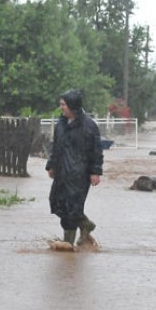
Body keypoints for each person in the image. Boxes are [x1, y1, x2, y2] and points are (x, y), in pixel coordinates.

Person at [46, 90, 103, 249]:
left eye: (63, 104)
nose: (61, 107)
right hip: (62, 173)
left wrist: (95, 172)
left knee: (72, 207)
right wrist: (51, 165)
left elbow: (96, 151)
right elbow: (55, 147)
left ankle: (68, 244)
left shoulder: (89, 126)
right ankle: (86, 225)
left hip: (80, 175)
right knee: (57, 203)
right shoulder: (61, 125)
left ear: (72, 106)